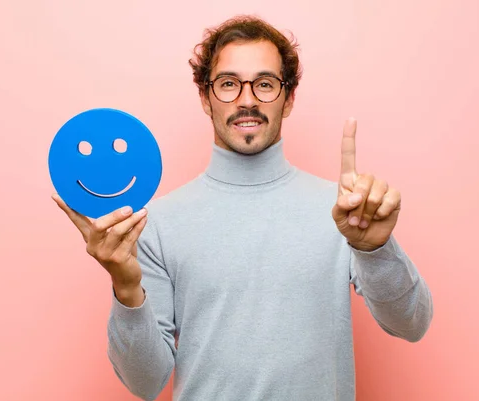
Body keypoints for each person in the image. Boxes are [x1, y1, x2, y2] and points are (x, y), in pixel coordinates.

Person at [52, 15, 433, 401]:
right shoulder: (157, 223)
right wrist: (126, 286)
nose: (247, 99)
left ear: (289, 99)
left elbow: (412, 324)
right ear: (205, 97)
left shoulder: (345, 212)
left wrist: (375, 250)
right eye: (229, 84)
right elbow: (145, 383)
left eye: (265, 84)